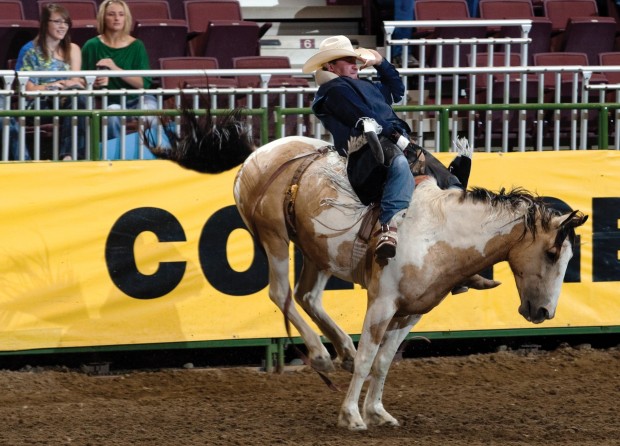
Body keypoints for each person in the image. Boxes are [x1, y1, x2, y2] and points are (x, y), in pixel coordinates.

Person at [302, 35, 416, 260]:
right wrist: (396, 136)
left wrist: (380, 63)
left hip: (389, 141)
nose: (355, 64)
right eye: (347, 60)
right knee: (400, 163)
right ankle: (388, 228)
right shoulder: (332, 91)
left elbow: (397, 90)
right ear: (330, 66)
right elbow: (367, 118)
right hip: (364, 152)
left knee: (446, 181)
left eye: (355, 59)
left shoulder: (363, 86)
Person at [15, 3, 86, 160]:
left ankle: (69, 156)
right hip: (39, 103)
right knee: (73, 99)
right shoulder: (30, 50)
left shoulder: (73, 49)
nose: (62, 26)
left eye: (65, 22)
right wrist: (53, 85)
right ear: (45, 23)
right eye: (57, 22)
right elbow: (28, 90)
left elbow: (74, 81)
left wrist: (69, 84)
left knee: (80, 99)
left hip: (66, 100)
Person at [81, 0, 157, 142]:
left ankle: (149, 155)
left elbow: (143, 83)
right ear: (103, 17)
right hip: (109, 101)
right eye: (111, 14)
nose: (117, 18)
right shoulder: (91, 46)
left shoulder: (137, 46)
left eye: (121, 15)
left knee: (149, 113)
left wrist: (114, 69)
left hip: (138, 98)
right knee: (111, 113)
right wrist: (94, 84)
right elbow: (81, 79)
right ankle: (116, 156)